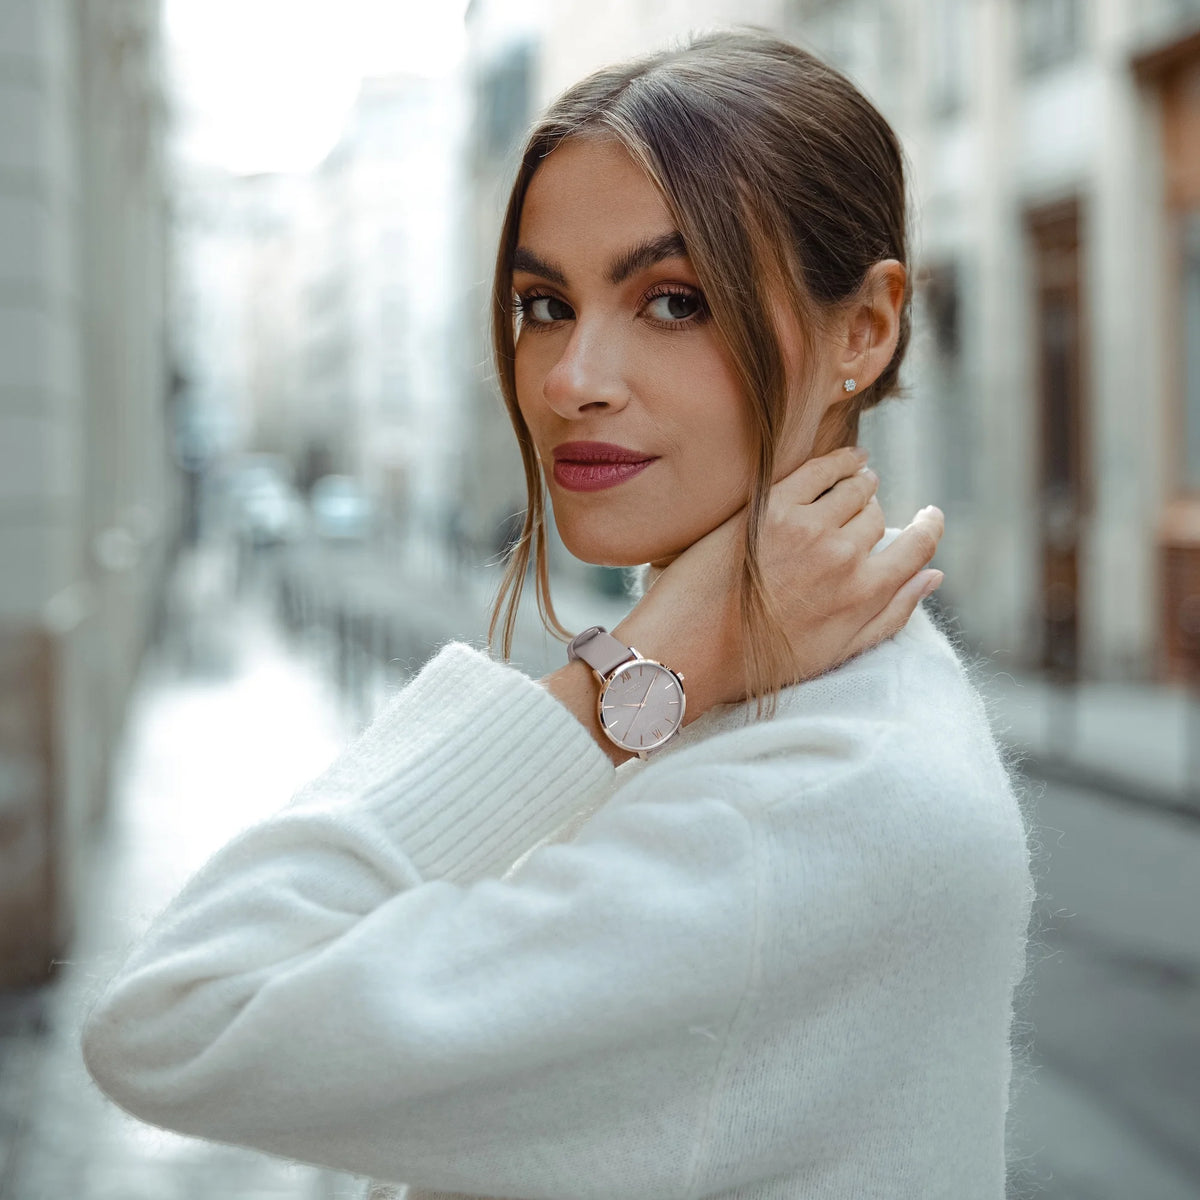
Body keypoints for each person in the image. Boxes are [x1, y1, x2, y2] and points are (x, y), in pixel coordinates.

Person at [80, 28, 1035, 1200]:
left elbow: (182, 1014)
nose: (571, 378)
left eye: (674, 301)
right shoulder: (805, 720)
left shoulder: (812, 804)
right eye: (543, 303)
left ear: (867, 329)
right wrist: (669, 664)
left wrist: (636, 672)